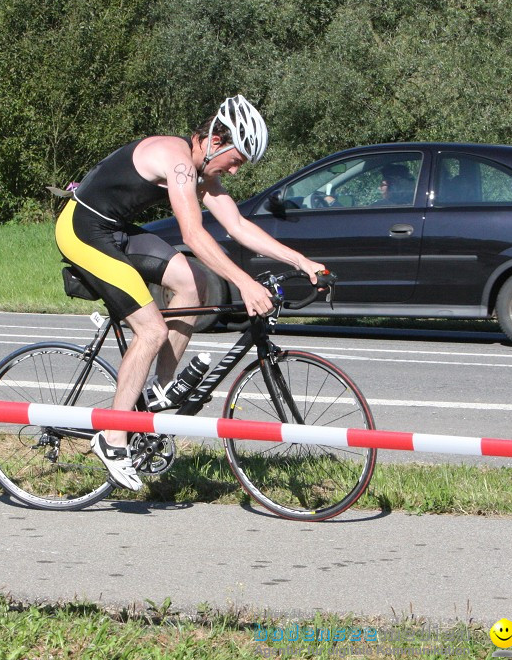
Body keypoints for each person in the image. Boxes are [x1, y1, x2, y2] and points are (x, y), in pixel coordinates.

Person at [55, 95, 326, 491]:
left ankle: (159, 395)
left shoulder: (202, 173)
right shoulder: (178, 160)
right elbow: (192, 234)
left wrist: (302, 261)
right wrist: (246, 284)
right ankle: (112, 438)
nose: (234, 171)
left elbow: (237, 226)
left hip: (115, 230)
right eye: (235, 160)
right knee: (151, 330)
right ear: (216, 140)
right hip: (82, 230)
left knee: (191, 284)